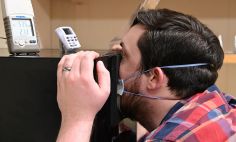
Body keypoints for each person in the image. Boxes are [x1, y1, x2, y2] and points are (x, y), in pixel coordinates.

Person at [56, 9, 236, 142]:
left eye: (124, 56)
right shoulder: (220, 105)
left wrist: (77, 118)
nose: (112, 64)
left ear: (154, 78)